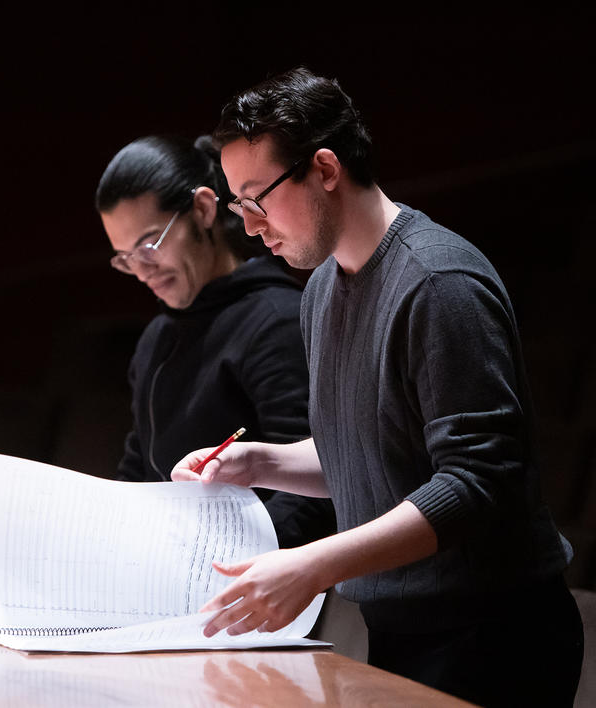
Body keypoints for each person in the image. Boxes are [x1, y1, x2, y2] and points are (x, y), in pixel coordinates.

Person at [171, 68, 584, 707]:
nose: (250, 227)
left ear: (326, 169)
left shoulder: (438, 282)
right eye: (237, 206)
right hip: (401, 629)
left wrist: (315, 564)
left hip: (493, 637)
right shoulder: (319, 292)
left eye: (258, 199)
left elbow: (476, 484)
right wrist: (262, 463)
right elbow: (376, 454)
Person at [0, 134, 335, 571]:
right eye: (125, 258)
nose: (140, 271)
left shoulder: (276, 321)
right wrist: (37, 530)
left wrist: (214, 572)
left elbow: (315, 494)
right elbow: (138, 478)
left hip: (250, 594)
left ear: (202, 209)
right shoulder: (158, 337)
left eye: (148, 246)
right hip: (178, 583)